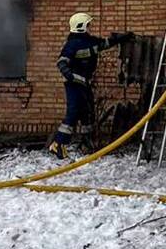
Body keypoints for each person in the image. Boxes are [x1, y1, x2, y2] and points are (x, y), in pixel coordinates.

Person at [49, 12, 133, 159]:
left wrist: (121, 38)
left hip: (85, 84)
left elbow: (103, 44)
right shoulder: (72, 44)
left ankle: (87, 143)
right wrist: (69, 74)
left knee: (88, 113)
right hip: (74, 85)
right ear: (81, 27)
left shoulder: (89, 41)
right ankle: (57, 144)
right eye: (88, 25)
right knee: (73, 113)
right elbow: (61, 62)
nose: (90, 28)